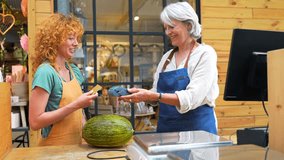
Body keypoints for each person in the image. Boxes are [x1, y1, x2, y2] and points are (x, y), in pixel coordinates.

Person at [119, 2, 219, 134]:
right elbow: (157, 91)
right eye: (166, 28)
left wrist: (155, 95)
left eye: (171, 27)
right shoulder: (167, 57)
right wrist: (142, 95)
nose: (168, 32)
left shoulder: (205, 54)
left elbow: (192, 98)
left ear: (188, 25)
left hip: (198, 132)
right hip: (167, 132)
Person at [29, 13, 98, 146]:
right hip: (52, 151)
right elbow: (35, 122)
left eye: (77, 38)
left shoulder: (73, 70)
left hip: (76, 147)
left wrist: (89, 135)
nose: (76, 43)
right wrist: (77, 104)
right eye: (71, 38)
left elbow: (79, 113)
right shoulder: (46, 72)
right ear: (55, 40)